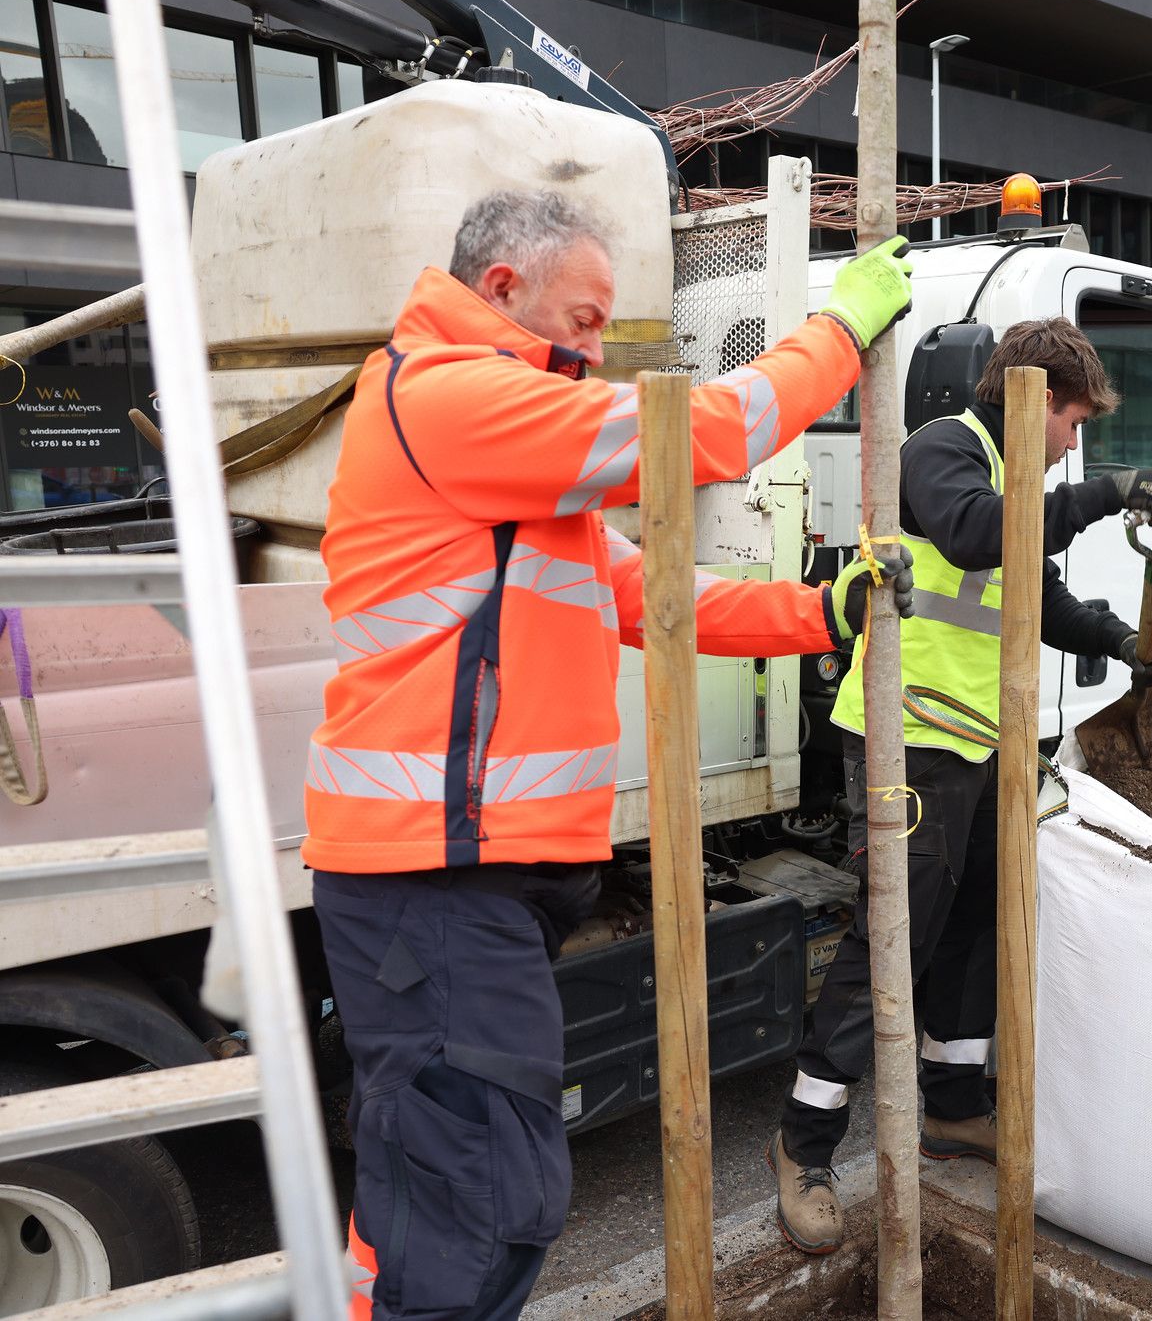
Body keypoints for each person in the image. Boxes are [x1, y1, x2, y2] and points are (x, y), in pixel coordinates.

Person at [308, 188, 916, 1320]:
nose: (595, 349)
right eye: (585, 321)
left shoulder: (513, 465)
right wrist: (840, 331)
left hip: (460, 879)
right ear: (502, 287)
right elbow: (706, 432)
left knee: (441, 1195)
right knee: (483, 1209)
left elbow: (652, 594)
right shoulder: (449, 396)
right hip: (434, 878)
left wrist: (816, 612)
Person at [771, 318, 1152, 1255]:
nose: (1074, 446)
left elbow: (1036, 598)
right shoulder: (942, 452)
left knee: (974, 931)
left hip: (981, 747)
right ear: (1032, 400)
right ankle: (803, 1144)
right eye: (1073, 424)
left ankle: (954, 1107)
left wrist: (1119, 641)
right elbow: (970, 540)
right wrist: (1106, 495)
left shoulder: (1010, 486)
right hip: (908, 740)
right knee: (895, 939)